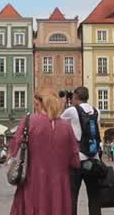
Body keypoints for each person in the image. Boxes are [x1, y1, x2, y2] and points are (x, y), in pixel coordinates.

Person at [10, 88, 79, 215]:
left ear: (39, 103)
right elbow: (75, 160)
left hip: (34, 181)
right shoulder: (66, 126)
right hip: (59, 185)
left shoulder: (29, 121)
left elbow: (14, 148)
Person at [60, 87, 104, 215]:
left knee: (72, 197)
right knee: (94, 197)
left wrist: (64, 102)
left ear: (75, 97)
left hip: (78, 159)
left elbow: (58, 121)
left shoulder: (72, 111)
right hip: (94, 159)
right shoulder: (97, 111)